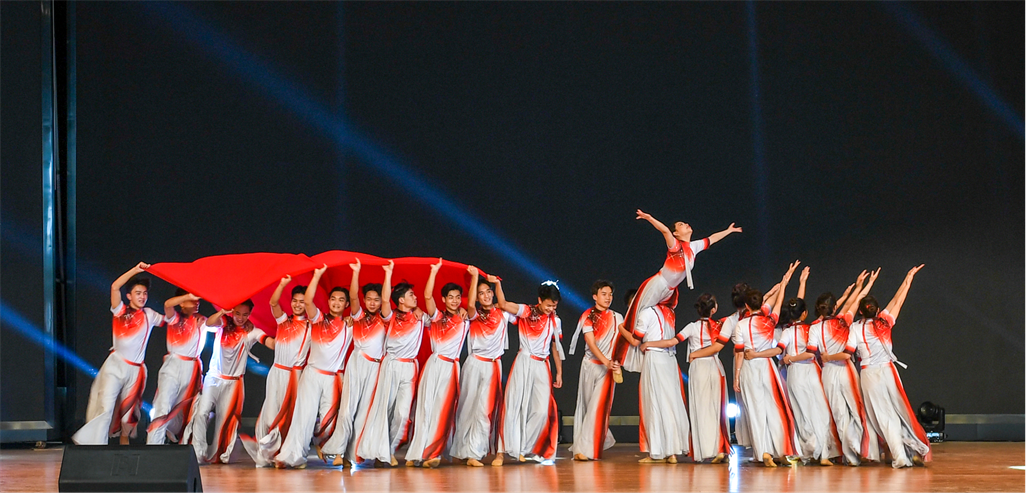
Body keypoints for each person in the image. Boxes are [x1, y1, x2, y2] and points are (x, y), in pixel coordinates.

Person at [614, 210, 741, 382]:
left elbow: (712, 238)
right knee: (634, 321)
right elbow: (665, 231)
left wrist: (729, 231)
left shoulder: (694, 247)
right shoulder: (675, 245)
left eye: (685, 223)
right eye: (681, 224)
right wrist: (649, 218)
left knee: (662, 322)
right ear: (676, 233)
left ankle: (655, 357)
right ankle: (617, 359)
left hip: (670, 291)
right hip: (657, 285)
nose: (686, 224)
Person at [73, 263, 165, 445]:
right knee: (106, 407)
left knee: (129, 413)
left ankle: (124, 439)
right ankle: (96, 445)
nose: (142, 296)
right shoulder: (120, 311)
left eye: (145, 293)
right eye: (138, 293)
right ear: (129, 295)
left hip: (136, 370)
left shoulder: (149, 315)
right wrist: (136, 270)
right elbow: (115, 286)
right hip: (115, 366)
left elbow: (170, 320)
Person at [852, 265, 931, 468]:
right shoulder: (884, 322)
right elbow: (898, 300)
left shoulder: (855, 328)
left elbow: (850, 350)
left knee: (883, 417)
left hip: (869, 374)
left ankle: (901, 455)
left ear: (860, 311)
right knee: (899, 412)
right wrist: (908, 279)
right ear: (877, 310)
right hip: (888, 371)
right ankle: (910, 449)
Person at [275, 265, 353, 468]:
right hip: (311, 375)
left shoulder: (350, 325)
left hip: (332, 378)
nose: (336, 302)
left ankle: (322, 443)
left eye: (341, 300)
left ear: (347, 304)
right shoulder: (318, 319)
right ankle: (293, 457)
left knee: (328, 420)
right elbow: (308, 301)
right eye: (333, 299)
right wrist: (317, 275)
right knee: (304, 416)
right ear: (328, 301)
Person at [642, 293, 734, 463]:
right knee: (718, 409)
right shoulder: (720, 325)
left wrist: (648, 344)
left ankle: (706, 450)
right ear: (714, 309)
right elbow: (737, 315)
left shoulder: (692, 327)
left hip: (699, 368)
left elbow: (671, 342)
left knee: (701, 409)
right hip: (715, 366)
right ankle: (720, 449)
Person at [355, 261, 428, 467]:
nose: (415, 297)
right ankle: (380, 452)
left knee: (403, 414)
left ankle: (389, 449)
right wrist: (388, 274)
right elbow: (386, 300)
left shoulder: (421, 317)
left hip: (410, 368)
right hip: (391, 364)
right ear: (401, 300)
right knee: (384, 409)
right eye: (411, 295)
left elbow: (434, 308)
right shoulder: (391, 316)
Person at [183, 300, 274, 464]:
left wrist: (284, 340)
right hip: (214, 378)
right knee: (202, 413)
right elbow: (210, 323)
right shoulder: (223, 324)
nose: (240, 318)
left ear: (249, 314)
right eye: (237, 313)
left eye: (245, 314)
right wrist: (222, 312)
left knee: (225, 420)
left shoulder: (251, 331)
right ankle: (198, 452)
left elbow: (269, 342)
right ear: (232, 312)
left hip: (233, 383)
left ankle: (220, 454)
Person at [405, 261, 474, 468]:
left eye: (457, 297)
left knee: (443, 411)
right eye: (450, 297)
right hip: (434, 365)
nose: (454, 301)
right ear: (443, 299)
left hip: (451, 368)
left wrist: (474, 278)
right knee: (425, 408)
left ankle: (433, 454)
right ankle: (417, 453)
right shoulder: (437, 317)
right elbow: (427, 296)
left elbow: (471, 304)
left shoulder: (465, 318)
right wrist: (434, 272)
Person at [807, 271, 879, 466]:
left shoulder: (814, 328)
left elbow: (812, 352)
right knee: (856, 410)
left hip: (828, 372)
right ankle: (861, 449)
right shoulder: (843, 321)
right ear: (834, 307)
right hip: (845, 369)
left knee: (839, 414)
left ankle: (849, 455)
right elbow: (857, 301)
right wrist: (864, 284)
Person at [324, 259, 387, 467]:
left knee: (366, 412)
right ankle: (339, 451)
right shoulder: (358, 316)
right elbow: (352, 296)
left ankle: (358, 454)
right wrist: (356, 273)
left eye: (376, 300)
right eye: (368, 299)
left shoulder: (386, 319)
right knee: (347, 409)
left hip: (376, 367)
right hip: (357, 363)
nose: (372, 303)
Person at [494, 281, 564, 465]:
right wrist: (497, 284)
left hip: (543, 365)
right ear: (540, 300)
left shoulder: (555, 320)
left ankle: (524, 447)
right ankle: (503, 450)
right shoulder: (526, 311)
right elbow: (503, 304)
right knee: (514, 405)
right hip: (524, 361)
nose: (551, 309)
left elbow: (555, 347)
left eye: (554, 306)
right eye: (548, 305)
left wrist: (559, 372)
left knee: (541, 410)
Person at [737, 261, 800, 467]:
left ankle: (764, 452)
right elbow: (778, 300)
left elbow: (739, 354)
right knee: (774, 408)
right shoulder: (770, 320)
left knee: (756, 411)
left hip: (749, 368)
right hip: (766, 366)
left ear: (747, 306)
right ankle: (779, 450)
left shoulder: (740, 325)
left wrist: (736, 377)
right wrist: (786, 279)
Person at [777, 267, 840, 466]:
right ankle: (823, 453)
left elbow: (779, 351)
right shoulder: (812, 328)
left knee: (802, 412)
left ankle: (809, 450)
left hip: (795, 374)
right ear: (804, 314)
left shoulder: (786, 332)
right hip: (811, 372)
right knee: (819, 410)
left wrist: (786, 359)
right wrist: (803, 282)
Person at [450, 274, 513, 467]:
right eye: (481, 293)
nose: (485, 296)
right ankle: (461, 450)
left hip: (492, 366)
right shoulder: (474, 315)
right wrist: (475, 278)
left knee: (484, 410)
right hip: (474, 364)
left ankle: (474, 453)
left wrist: (498, 284)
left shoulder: (503, 313)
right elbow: (469, 305)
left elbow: (506, 304)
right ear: (476, 297)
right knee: (467, 408)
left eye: (488, 292)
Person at [251, 277, 312, 467]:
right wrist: (283, 284)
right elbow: (273, 303)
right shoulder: (283, 321)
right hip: (276, 372)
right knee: (270, 414)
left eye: (302, 302)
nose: (298, 304)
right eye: (295, 301)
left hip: (295, 376)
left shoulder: (312, 326)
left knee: (290, 417)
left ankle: (286, 455)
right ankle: (269, 452)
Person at [568, 280, 624, 461]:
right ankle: (583, 446)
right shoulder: (588, 316)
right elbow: (591, 343)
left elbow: (622, 341)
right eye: (604, 294)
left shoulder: (618, 317)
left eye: (610, 294)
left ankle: (586, 450)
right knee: (586, 406)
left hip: (608, 370)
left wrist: (617, 362)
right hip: (590, 365)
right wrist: (605, 361)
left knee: (597, 408)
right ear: (595, 296)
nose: (608, 298)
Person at [632, 296, 690, 463]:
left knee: (654, 403)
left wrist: (622, 329)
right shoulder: (670, 312)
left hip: (655, 359)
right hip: (669, 360)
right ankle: (672, 451)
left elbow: (636, 340)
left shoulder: (647, 312)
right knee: (671, 403)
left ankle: (657, 451)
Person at [147, 289, 207, 445]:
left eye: (197, 300)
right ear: (182, 302)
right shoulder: (174, 318)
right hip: (173, 366)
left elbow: (221, 323)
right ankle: (154, 447)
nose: (196, 303)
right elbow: (167, 305)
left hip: (192, 370)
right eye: (191, 300)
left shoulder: (202, 321)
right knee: (163, 405)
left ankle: (182, 443)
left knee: (184, 411)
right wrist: (188, 296)